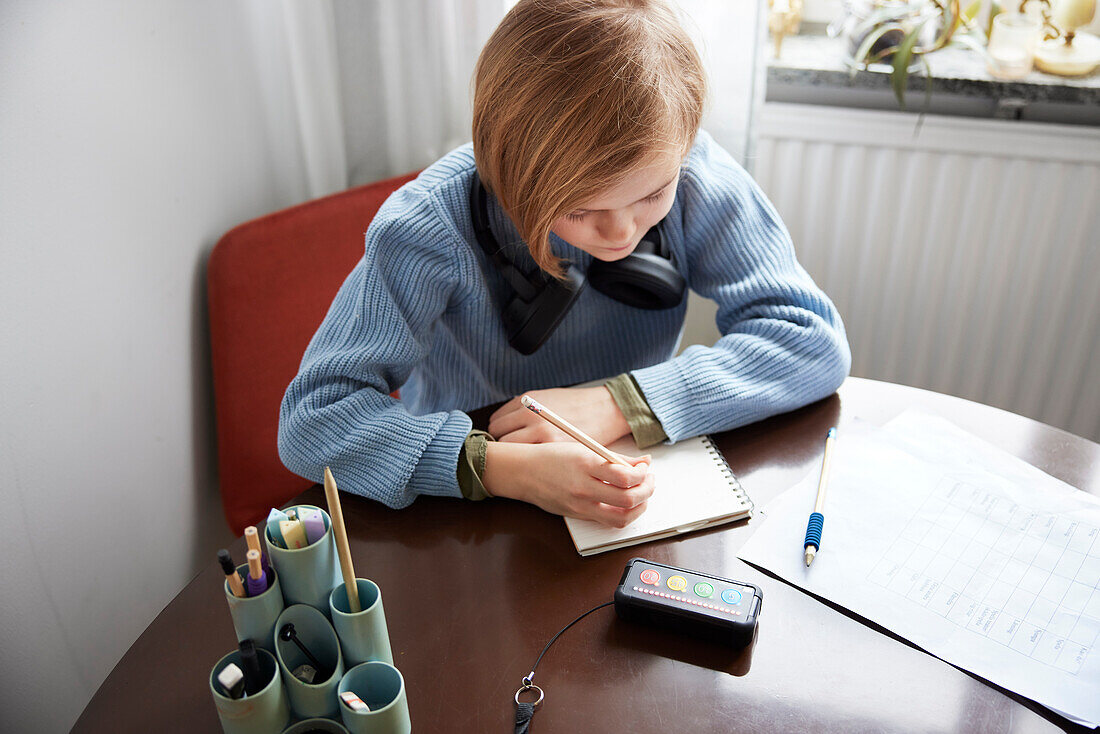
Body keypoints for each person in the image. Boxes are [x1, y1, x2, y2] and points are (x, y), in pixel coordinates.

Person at [278, 0, 850, 528]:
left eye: (652, 196)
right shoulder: (427, 228)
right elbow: (312, 420)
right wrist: (501, 468)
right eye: (581, 208)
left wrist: (615, 403)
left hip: (636, 477)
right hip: (469, 508)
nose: (622, 231)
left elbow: (813, 340)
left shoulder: (688, 169)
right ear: (506, 168)